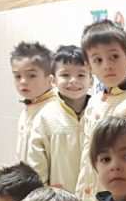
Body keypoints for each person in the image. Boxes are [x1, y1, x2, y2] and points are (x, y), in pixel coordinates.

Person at [73, 19, 126, 201]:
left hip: (120, 199)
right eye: (98, 60)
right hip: (88, 194)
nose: (107, 66)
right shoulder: (94, 102)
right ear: (89, 66)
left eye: (114, 57)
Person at [26, 44, 92, 191]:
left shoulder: (99, 113)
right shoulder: (45, 118)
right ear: (53, 80)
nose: (73, 80)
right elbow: (36, 166)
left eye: (81, 75)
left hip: (96, 199)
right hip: (60, 200)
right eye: (65, 75)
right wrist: (44, 193)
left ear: (91, 80)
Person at [10, 41, 56, 162]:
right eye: (17, 76)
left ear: (50, 79)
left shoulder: (54, 113)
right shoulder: (29, 108)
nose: (23, 81)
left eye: (31, 76)